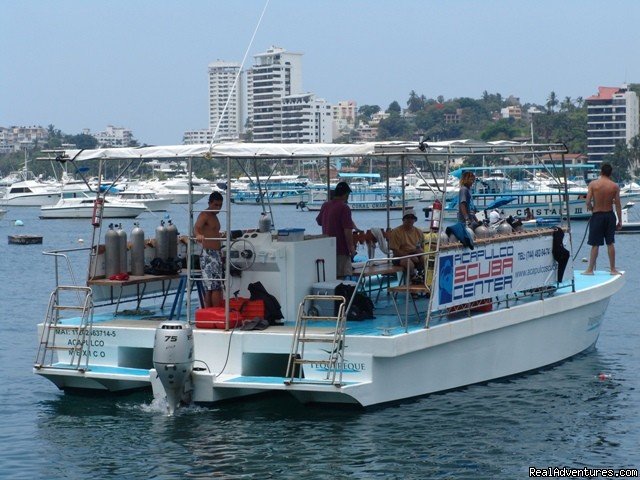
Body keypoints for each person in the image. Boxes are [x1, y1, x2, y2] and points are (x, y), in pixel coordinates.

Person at [583, 163, 622, 275]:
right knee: (610, 243)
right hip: (609, 215)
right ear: (610, 173)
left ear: (601, 172)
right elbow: (618, 205)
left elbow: (587, 201)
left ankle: (590, 270)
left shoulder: (593, 184)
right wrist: (620, 220)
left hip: (597, 215)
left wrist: (592, 209)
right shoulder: (614, 186)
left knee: (595, 244)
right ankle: (613, 269)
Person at [316, 181, 357, 279]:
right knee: (340, 279)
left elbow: (319, 221)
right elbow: (347, 230)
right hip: (341, 249)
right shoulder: (344, 208)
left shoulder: (325, 205)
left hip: (328, 249)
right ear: (346, 195)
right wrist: (351, 248)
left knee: (330, 278)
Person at [194, 191, 224, 307]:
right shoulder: (204, 215)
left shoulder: (214, 216)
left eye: (220, 205)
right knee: (213, 287)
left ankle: (211, 313)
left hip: (216, 254)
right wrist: (198, 235)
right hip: (208, 254)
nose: (218, 208)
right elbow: (196, 228)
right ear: (209, 203)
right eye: (215, 205)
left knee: (214, 286)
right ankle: (213, 312)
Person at [388, 211, 424, 278]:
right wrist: (409, 256)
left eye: (412, 218)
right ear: (403, 219)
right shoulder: (396, 232)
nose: (409, 220)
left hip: (415, 254)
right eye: (407, 218)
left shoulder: (419, 232)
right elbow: (395, 251)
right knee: (409, 263)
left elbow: (422, 247)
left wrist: (420, 251)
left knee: (425, 258)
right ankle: (411, 280)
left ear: (415, 220)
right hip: (399, 257)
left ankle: (421, 276)